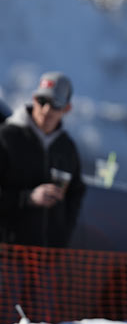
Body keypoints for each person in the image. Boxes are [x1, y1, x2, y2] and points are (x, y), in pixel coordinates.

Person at [0, 71, 86, 247]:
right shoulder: (7, 137)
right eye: (42, 101)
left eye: (55, 105)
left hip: (45, 259)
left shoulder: (67, 148)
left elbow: (75, 193)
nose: (46, 110)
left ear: (67, 109)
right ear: (33, 99)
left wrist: (62, 236)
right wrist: (28, 198)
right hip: (7, 255)